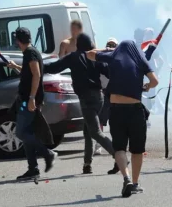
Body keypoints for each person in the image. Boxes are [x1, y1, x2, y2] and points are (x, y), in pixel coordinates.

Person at [87, 40, 159, 198]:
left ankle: (125, 178)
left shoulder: (113, 56)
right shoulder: (140, 59)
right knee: (137, 149)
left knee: (119, 148)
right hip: (135, 110)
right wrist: (146, 87)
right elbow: (155, 81)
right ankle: (135, 183)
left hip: (116, 110)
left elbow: (89, 54)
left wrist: (107, 49)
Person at [43, 33, 118, 174]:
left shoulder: (73, 57)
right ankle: (87, 164)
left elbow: (54, 68)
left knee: (95, 132)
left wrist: (38, 66)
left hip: (86, 98)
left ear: (78, 45)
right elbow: (108, 72)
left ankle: (119, 157)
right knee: (88, 131)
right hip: (99, 97)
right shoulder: (95, 56)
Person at [7, 27, 57, 180]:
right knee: (27, 132)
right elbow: (29, 72)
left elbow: (36, 74)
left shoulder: (30, 53)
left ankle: (48, 154)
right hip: (25, 98)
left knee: (21, 133)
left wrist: (31, 98)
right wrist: (15, 67)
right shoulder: (30, 52)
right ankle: (33, 168)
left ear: (17, 40)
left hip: (28, 100)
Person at [97, 37, 118, 155]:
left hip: (116, 94)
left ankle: (117, 144)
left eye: (113, 45)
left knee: (115, 121)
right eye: (109, 45)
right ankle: (98, 145)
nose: (111, 47)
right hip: (104, 93)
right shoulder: (101, 59)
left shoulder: (120, 60)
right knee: (100, 120)